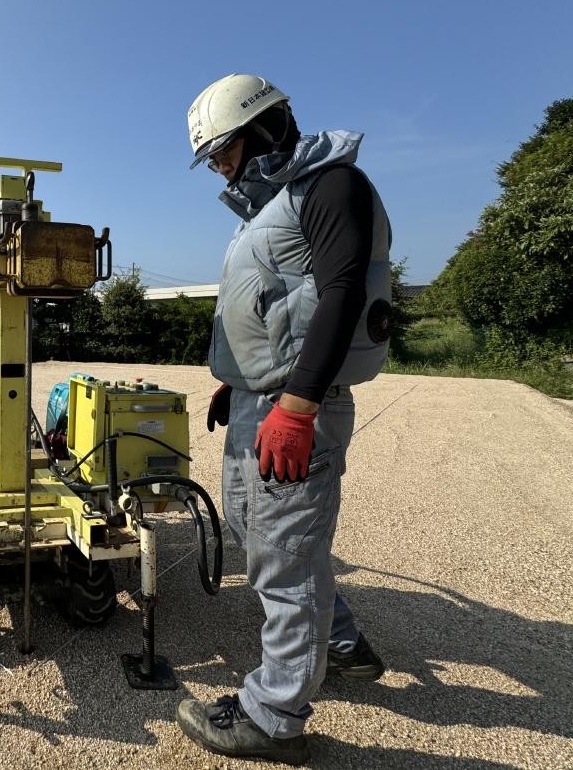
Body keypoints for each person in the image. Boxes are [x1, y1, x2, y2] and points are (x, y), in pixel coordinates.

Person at [175, 74, 392, 766]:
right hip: (255, 400)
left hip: (297, 407)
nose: (220, 167)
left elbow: (341, 292)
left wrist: (297, 403)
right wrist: (233, 384)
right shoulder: (267, 210)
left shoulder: (331, 187)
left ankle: (275, 716)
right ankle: (342, 643)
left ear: (263, 129)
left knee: (286, 559)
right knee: (255, 532)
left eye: (224, 151)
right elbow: (268, 307)